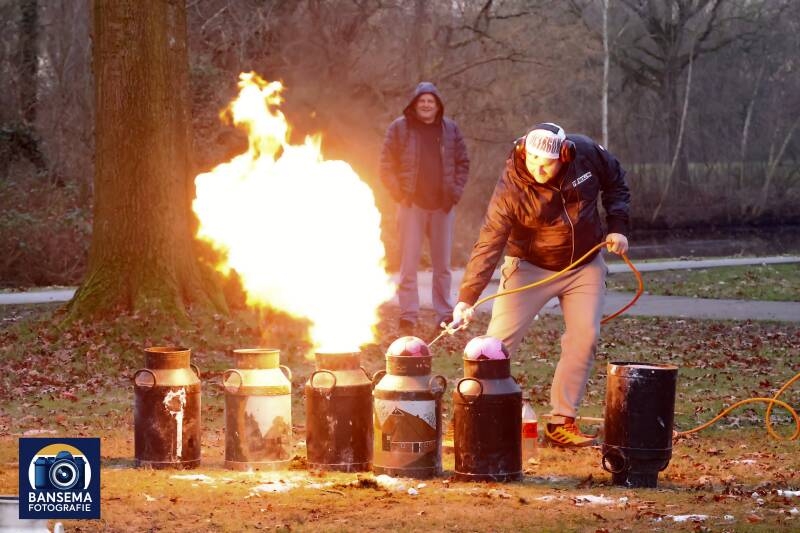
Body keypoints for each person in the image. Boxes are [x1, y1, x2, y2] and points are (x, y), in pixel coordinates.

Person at [452, 122, 630, 448]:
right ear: (524, 151)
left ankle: (562, 420)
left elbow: (616, 182)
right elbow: (489, 242)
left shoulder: (586, 154)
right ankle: (470, 415)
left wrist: (618, 226)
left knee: (584, 337)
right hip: (529, 267)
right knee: (494, 347)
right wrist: (467, 297)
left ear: (564, 156)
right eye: (532, 159)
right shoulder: (511, 187)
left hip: (584, 264)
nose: (538, 168)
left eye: (546, 163)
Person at [380, 82, 470, 334]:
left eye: (431, 101)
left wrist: (454, 194)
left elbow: (463, 162)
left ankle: (444, 315)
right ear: (415, 103)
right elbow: (386, 164)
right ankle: (408, 315)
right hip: (411, 206)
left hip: (442, 207)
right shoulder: (400, 128)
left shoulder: (450, 129)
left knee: (443, 267)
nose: (427, 105)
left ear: (437, 105)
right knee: (408, 265)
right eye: (422, 101)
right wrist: (399, 194)